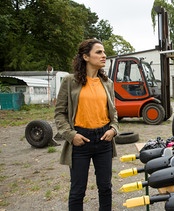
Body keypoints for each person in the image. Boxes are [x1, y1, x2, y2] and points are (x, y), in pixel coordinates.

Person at [55, 39, 118, 211]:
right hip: (80, 140)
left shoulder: (108, 83)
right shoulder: (70, 81)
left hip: (104, 139)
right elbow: (59, 113)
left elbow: (114, 113)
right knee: (77, 191)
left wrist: (113, 129)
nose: (104, 55)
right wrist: (71, 135)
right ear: (85, 56)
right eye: (99, 52)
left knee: (105, 187)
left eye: (104, 52)